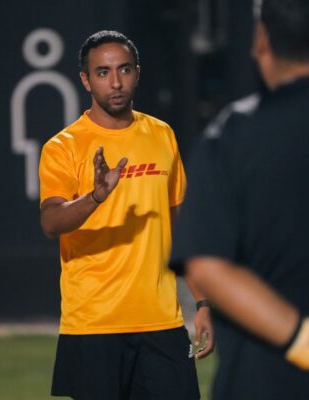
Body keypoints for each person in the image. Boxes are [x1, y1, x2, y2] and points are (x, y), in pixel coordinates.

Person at [39, 30, 214, 399]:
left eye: (124, 70)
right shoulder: (63, 147)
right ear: (86, 80)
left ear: (137, 73)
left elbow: (180, 227)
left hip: (161, 322)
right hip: (93, 326)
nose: (115, 82)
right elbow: (51, 223)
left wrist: (203, 303)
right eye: (102, 72)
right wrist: (95, 197)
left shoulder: (162, 135)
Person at [172, 0, 309, 399]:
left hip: (263, 380)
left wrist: (301, 342)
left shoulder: (232, 137)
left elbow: (210, 267)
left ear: (261, 40)